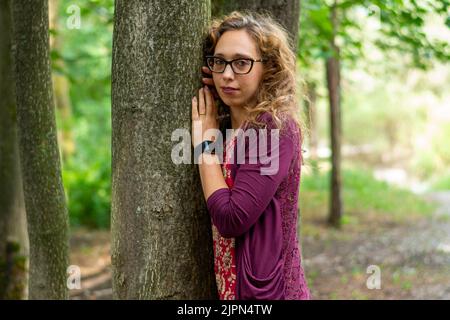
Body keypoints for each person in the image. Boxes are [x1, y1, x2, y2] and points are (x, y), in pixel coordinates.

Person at [191, 11, 311, 300]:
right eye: (219, 62)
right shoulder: (233, 128)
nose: (228, 74)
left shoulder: (276, 127)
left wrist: (205, 145)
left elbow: (232, 219)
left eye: (242, 63)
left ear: (268, 68)